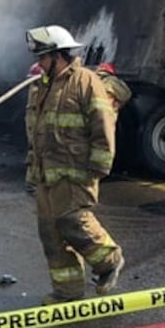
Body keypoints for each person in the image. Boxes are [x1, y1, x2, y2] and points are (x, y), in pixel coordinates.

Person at [25, 24, 124, 305]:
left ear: (59, 56)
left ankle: (109, 260)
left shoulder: (85, 81)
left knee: (73, 222)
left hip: (75, 172)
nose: (39, 62)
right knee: (50, 233)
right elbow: (35, 132)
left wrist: (99, 166)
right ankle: (67, 292)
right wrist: (32, 169)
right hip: (45, 175)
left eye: (43, 57)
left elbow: (103, 124)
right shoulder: (41, 87)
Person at [24, 63, 45, 194]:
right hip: (35, 121)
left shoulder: (35, 87)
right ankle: (32, 184)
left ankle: (33, 182)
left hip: (33, 120)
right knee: (37, 151)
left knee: (35, 151)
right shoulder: (37, 90)